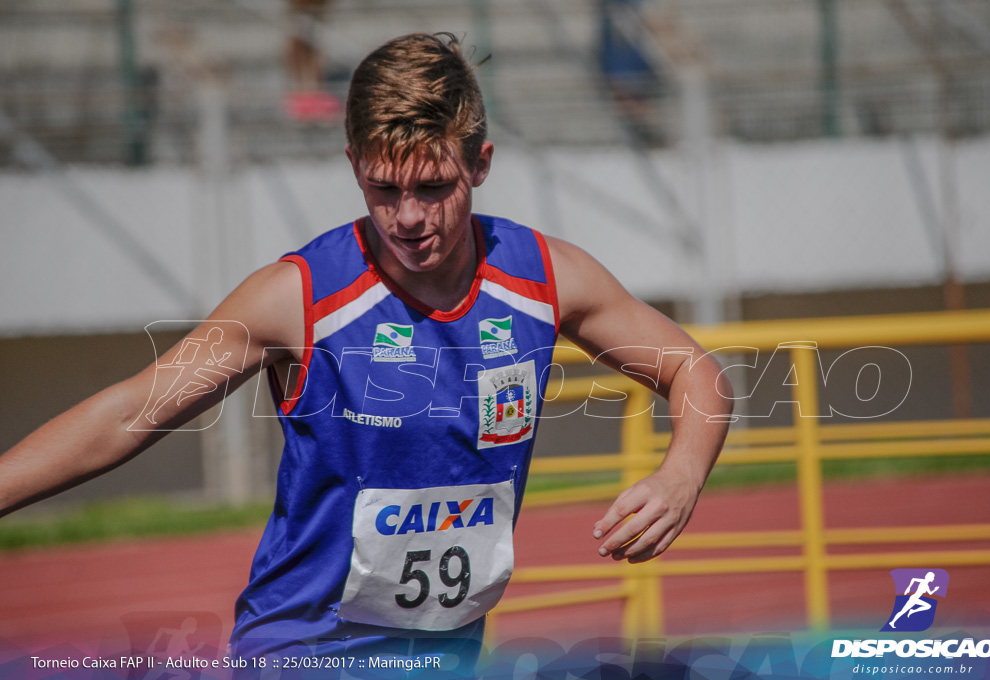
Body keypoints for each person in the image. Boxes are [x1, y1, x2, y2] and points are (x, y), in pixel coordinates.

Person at [0, 32, 731, 675]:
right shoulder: (299, 296)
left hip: (445, 658)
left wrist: (681, 474)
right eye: (384, 189)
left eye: (433, 187)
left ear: (481, 164)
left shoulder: (545, 278)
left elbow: (693, 369)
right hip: (304, 654)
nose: (408, 218)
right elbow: (132, 411)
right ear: (353, 165)